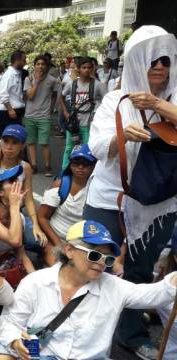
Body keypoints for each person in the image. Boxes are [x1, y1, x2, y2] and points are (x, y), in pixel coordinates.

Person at [86, 26, 177, 359]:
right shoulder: (116, 98)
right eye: (151, 59)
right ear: (136, 61)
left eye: (165, 60)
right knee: (97, 264)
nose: (158, 67)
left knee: (139, 271)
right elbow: (95, 147)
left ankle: (130, 334)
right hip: (110, 198)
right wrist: (122, 137)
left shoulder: (175, 96)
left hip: (159, 202)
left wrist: (156, 104)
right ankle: (88, 331)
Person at [0, 220, 177, 359]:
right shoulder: (35, 282)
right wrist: (16, 342)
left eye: (107, 259)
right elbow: (10, 322)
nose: (101, 263)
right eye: (94, 254)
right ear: (69, 250)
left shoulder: (114, 287)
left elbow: (155, 294)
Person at [38, 144, 96, 267]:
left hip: (81, 241)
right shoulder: (60, 185)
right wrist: (59, 244)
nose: (80, 167)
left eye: (86, 163)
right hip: (55, 237)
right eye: (76, 162)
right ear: (70, 164)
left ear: (94, 166)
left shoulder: (97, 189)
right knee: (57, 268)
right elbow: (42, 217)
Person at [0, 125, 47, 249]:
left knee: (38, 242)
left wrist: (35, 225)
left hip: (15, 212)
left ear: (22, 145)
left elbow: (28, 199)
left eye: (15, 143)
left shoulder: (25, 167)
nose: (9, 147)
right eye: (5, 141)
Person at [60, 57, 106, 170]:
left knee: (88, 147)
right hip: (73, 122)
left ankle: (88, 170)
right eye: (84, 67)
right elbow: (61, 96)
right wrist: (65, 112)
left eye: (89, 68)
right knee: (69, 148)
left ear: (92, 69)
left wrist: (98, 114)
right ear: (79, 69)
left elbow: (107, 99)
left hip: (89, 122)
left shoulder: (97, 85)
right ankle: (64, 171)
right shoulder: (72, 84)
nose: (86, 70)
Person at [24, 55, 60, 177]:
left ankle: (47, 166)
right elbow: (30, 96)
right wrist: (37, 81)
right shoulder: (28, 79)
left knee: (44, 143)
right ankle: (34, 165)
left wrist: (51, 108)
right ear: (34, 66)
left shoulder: (52, 80)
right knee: (31, 142)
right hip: (30, 115)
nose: (40, 66)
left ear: (47, 66)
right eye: (38, 64)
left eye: (42, 64)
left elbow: (55, 94)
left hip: (44, 116)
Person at [0, 50, 26, 135]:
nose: (25, 62)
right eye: (24, 60)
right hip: (9, 112)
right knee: (9, 138)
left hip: (15, 110)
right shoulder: (9, 74)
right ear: (17, 60)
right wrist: (10, 109)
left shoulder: (17, 73)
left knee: (16, 138)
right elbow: (2, 94)